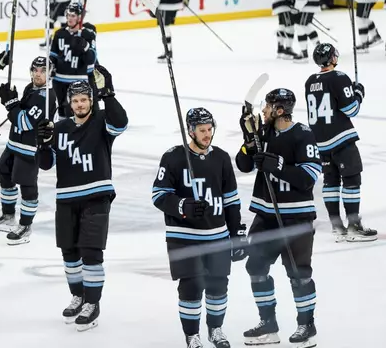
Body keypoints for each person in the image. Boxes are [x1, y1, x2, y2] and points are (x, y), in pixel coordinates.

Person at [36, 65, 128, 331]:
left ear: (91, 100)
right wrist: (42, 142)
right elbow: (45, 164)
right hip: (66, 197)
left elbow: (121, 122)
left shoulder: (101, 122)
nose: (79, 104)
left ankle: (93, 302)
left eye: (84, 99)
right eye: (75, 100)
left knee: (91, 251)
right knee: (69, 253)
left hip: (96, 195)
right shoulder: (60, 127)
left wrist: (108, 94)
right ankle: (78, 295)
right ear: (69, 103)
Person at [152, 107, 246, 348]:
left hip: (217, 235)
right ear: (190, 131)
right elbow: (159, 195)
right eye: (202, 130)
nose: (207, 135)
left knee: (218, 285)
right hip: (184, 237)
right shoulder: (173, 157)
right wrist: (183, 206)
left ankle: (216, 330)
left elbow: (231, 200)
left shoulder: (222, 158)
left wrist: (237, 234)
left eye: (209, 129)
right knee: (191, 287)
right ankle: (192, 335)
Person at [236, 88, 320, 348]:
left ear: (280, 110)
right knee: (256, 268)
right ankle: (268, 324)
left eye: (268, 106)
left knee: (299, 273)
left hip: (296, 218)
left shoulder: (303, 135)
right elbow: (243, 164)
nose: (263, 110)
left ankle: (307, 325)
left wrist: (279, 167)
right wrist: (249, 140)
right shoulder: (264, 133)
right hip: (266, 215)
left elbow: (309, 177)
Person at [305, 43, 376, 241]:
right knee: (352, 180)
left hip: (320, 141)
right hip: (341, 139)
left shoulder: (310, 81)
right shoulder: (339, 77)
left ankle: (337, 226)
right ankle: (354, 226)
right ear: (333, 58)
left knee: (331, 182)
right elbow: (352, 109)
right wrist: (358, 93)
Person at [0, 56, 57, 244]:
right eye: (35, 70)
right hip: (13, 144)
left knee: (27, 186)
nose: (38, 74)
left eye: (43, 70)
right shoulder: (30, 88)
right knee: (4, 175)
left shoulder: (47, 97)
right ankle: (8, 216)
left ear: (50, 73)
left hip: (30, 147)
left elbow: (24, 122)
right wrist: (13, 102)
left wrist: (10, 104)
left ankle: (25, 226)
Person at [49, 2, 97, 119]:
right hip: (59, 79)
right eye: (68, 15)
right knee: (61, 110)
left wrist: (84, 46)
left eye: (73, 16)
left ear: (80, 17)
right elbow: (53, 55)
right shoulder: (59, 34)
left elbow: (92, 59)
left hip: (78, 79)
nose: (69, 18)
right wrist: (50, 67)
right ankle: (62, 132)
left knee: (73, 110)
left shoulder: (87, 35)